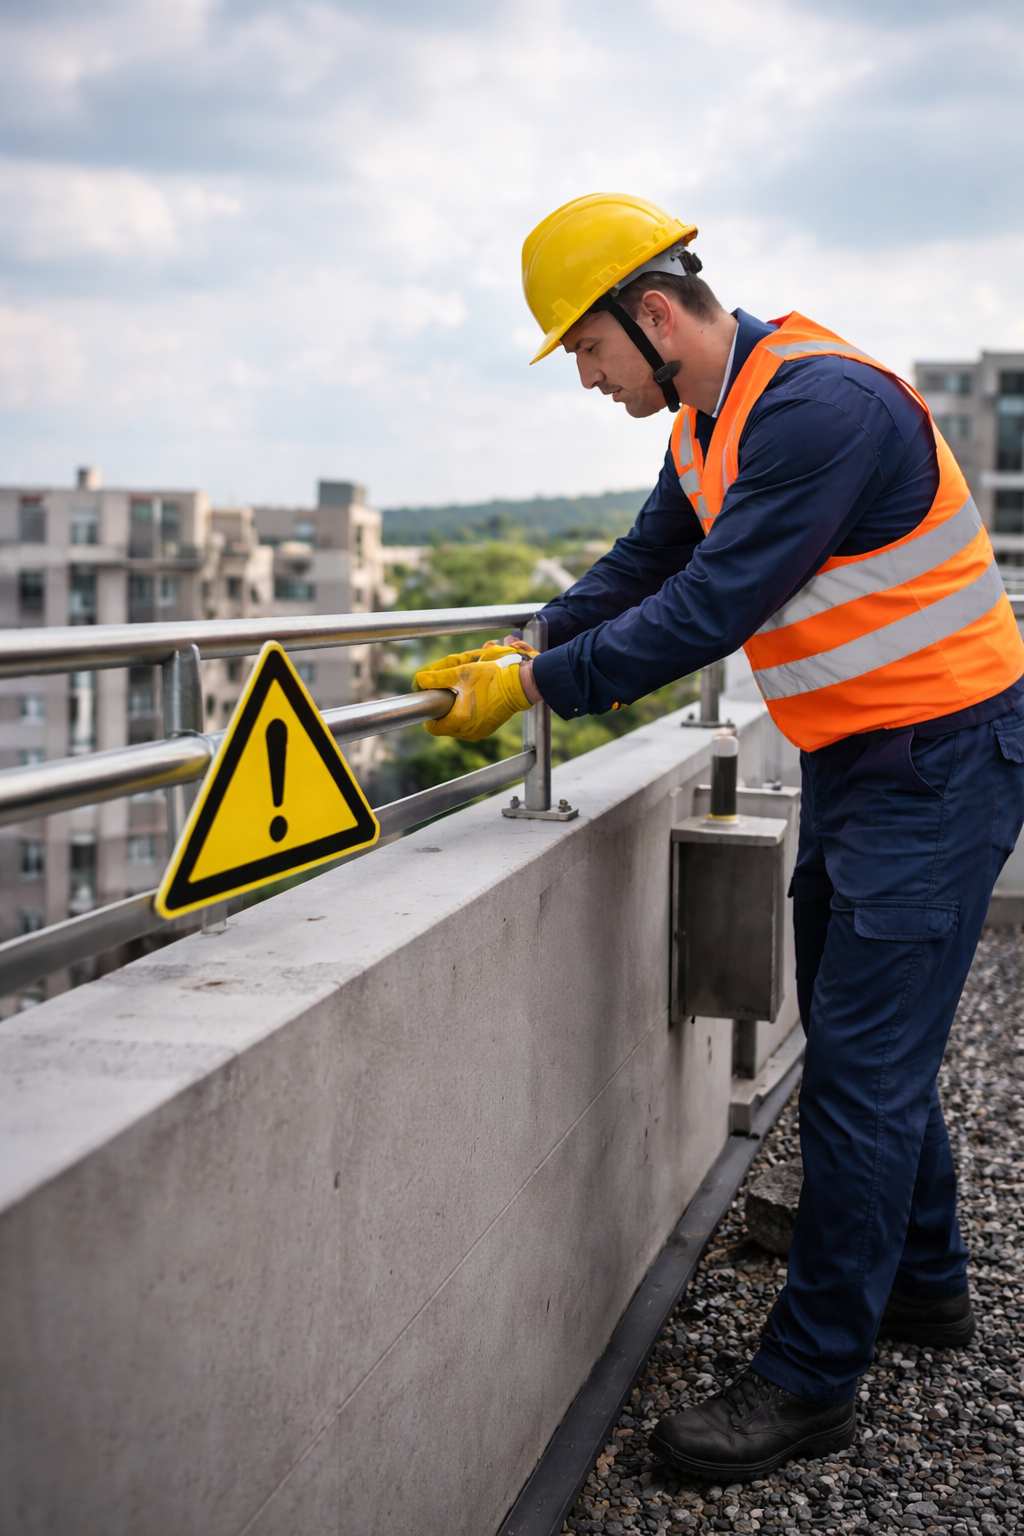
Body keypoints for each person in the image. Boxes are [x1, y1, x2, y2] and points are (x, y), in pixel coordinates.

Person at [413, 193, 1024, 1480]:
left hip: (943, 760)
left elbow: (712, 602)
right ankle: (919, 1282)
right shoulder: (707, 420)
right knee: (869, 1041)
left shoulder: (815, 409)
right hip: (869, 756)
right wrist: (528, 644)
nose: (584, 378)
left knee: (858, 1068)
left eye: (585, 350)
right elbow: (643, 565)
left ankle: (812, 1380)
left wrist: (536, 694)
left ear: (651, 314)